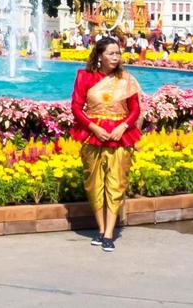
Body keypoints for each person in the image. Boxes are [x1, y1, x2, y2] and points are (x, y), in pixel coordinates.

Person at [70, 36, 143, 252]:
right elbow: (76, 106)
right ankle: (100, 229)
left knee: (116, 183)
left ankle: (109, 233)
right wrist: (93, 127)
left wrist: (124, 126)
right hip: (93, 134)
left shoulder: (125, 79)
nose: (115, 57)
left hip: (120, 136)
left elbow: (135, 109)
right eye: (111, 53)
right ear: (99, 55)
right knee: (94, 184)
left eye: (117, 53)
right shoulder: (84, 77)